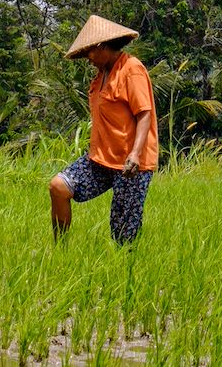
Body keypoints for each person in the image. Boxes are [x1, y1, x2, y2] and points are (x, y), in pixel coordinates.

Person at [49, 15, 158, 244]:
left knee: (122, 233)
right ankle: (59, 251)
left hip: (131, 164)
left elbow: (145, 113)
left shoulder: (131, 69)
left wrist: (135, 154)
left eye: (90, 51)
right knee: (59, 187)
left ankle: (126, 270)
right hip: (100, 160)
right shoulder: (98, 79)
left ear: (102, 46)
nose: (88, 57)